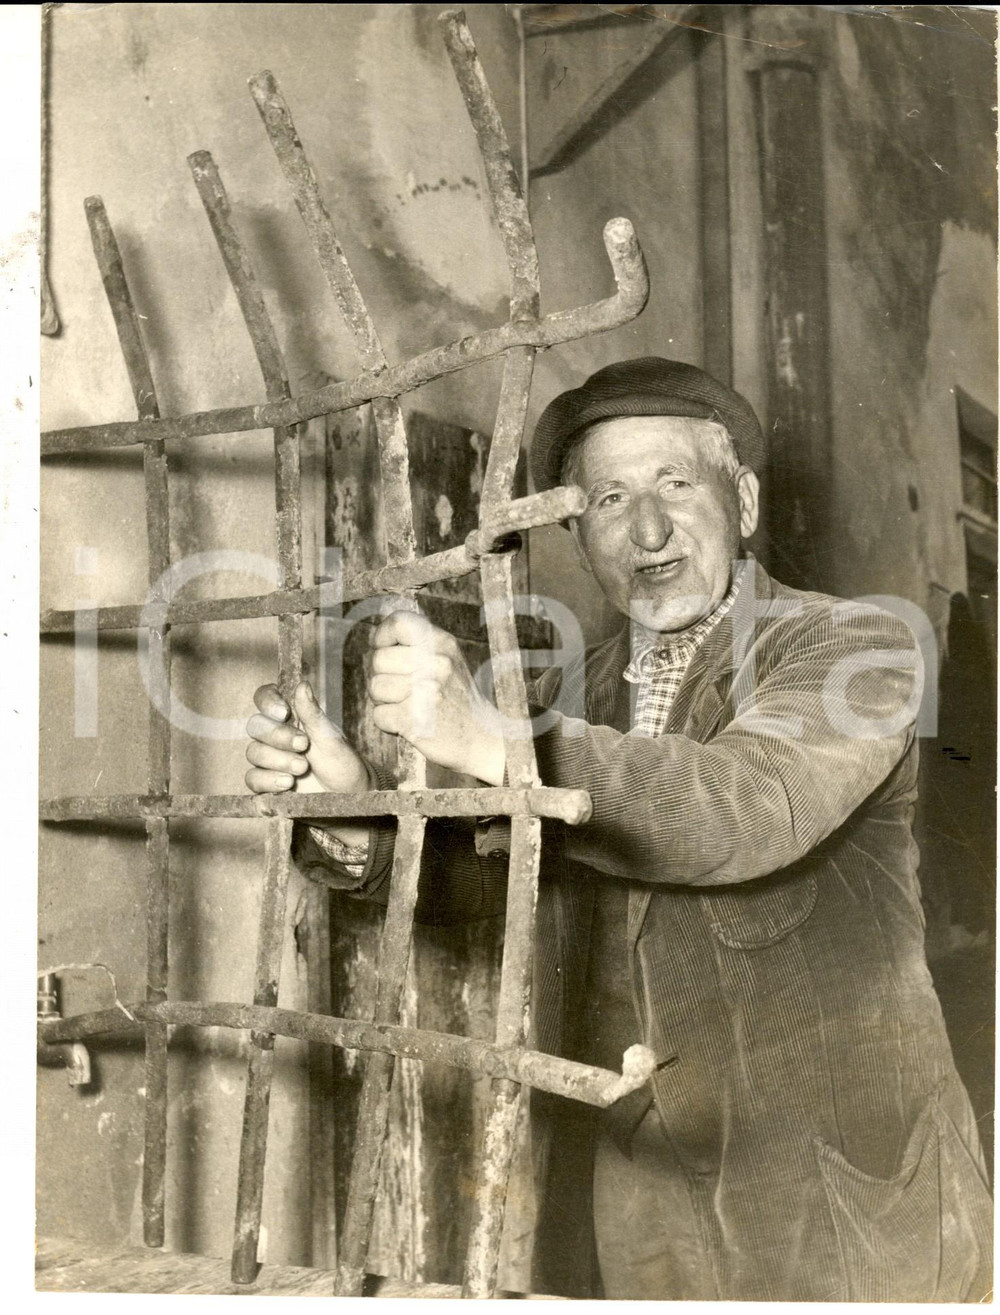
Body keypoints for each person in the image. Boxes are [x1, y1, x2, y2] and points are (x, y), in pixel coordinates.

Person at [244, 358, 992, 1301]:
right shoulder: (567, 691)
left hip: (836, 1182)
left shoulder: (849, 645)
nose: (647, 529)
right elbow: (499, 883)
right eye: (607, 498)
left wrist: (495, 738)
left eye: (676, 483)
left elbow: (745, 805)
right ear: (578, 535)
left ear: (745, 499)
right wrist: (358, 816)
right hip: (639, 1191)